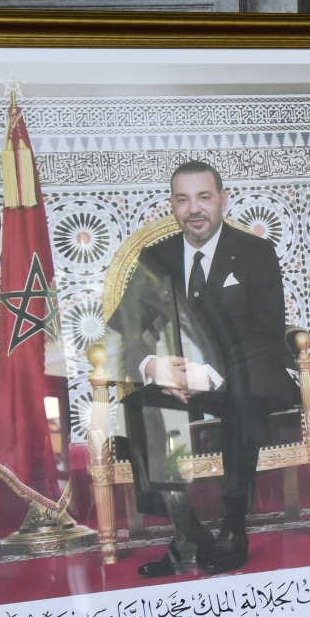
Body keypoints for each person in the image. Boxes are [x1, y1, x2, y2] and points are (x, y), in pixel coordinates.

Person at [111, 160, 299, 578]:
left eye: (203, 197)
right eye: (183, 199)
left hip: (251, 374)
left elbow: (268, 334)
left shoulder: (255, 252)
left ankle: (234, 526)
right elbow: (125, 333)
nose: (194, 209)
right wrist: (155, 366)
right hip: (183, 379)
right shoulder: (155, 258)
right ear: (173, 206)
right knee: (144, 406)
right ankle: (186, 534)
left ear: (223, 200)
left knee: (242, 395)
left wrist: (209, 375)